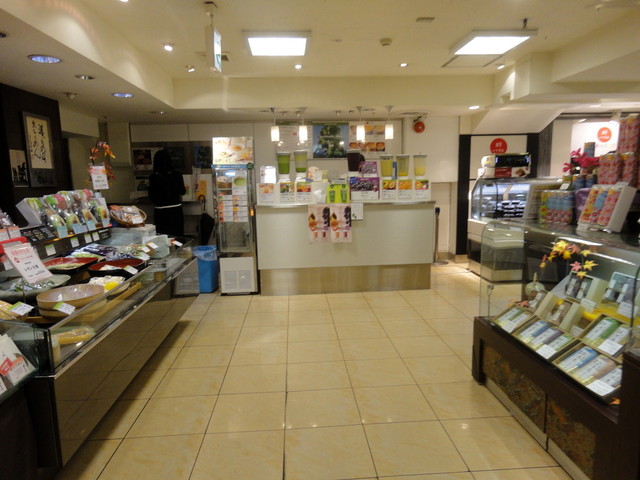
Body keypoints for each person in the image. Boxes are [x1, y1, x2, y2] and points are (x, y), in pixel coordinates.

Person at [148, 149, 186, 236]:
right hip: (176, 209)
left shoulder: (153, 177)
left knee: (163, 237)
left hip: (161, 211)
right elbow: (182, 191)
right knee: (177, 236)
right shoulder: (177, 175)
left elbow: (152, 196)